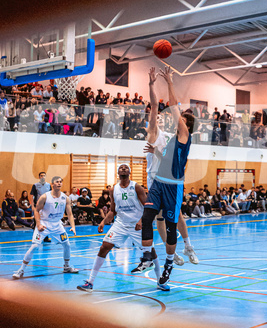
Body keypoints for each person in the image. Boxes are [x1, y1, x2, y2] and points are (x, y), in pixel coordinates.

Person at [133, 67, 198, 278]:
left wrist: (169, 83)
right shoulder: (157, 132)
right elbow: (154, 107)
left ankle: (183, 249)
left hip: (173, 183)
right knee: (151, 218)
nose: (161, 117)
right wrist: (152, 85)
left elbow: (172, 108)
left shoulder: (178, 135)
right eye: (157, 117)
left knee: (173, 219)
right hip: (156, 181)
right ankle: (149, 257)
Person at [77, 164, 152, 291]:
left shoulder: (136, 187)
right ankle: (90, 282)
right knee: (104, 247)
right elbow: (112, 210)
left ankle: (161, 279)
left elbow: (148, 206)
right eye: (121, 167)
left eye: (126, 167)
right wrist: (103, 221)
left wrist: (141, 220)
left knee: (151, 253)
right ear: (118, 172)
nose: (123, 169)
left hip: (136, 225)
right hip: (120, 224)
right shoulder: (113, 190)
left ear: (130, 172)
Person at [13, 176, 78, 279]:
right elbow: (36, 210)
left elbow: (69, 214)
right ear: (52, 184)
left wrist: (73, 227)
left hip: (57, 224)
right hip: (44, 224)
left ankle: (66, 266)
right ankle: (21, 270)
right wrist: (38, 224)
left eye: (61, 182)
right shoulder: (44, 197)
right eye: (57, 182)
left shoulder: (65, 198)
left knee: (67, 245)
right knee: (34, 246)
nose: (59, 183)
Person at [30, 172, 51, 242]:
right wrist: (32, 206)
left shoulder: (48, 185)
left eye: (44, 176)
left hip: (46, 206)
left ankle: (45, 237)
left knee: (46, 221)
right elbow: (31, 196)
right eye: (41, 176)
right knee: (37, 221)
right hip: (38, 206)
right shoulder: (35, 185)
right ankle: (36, 237)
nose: (42, 177)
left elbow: (51, 195)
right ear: (39, 177)